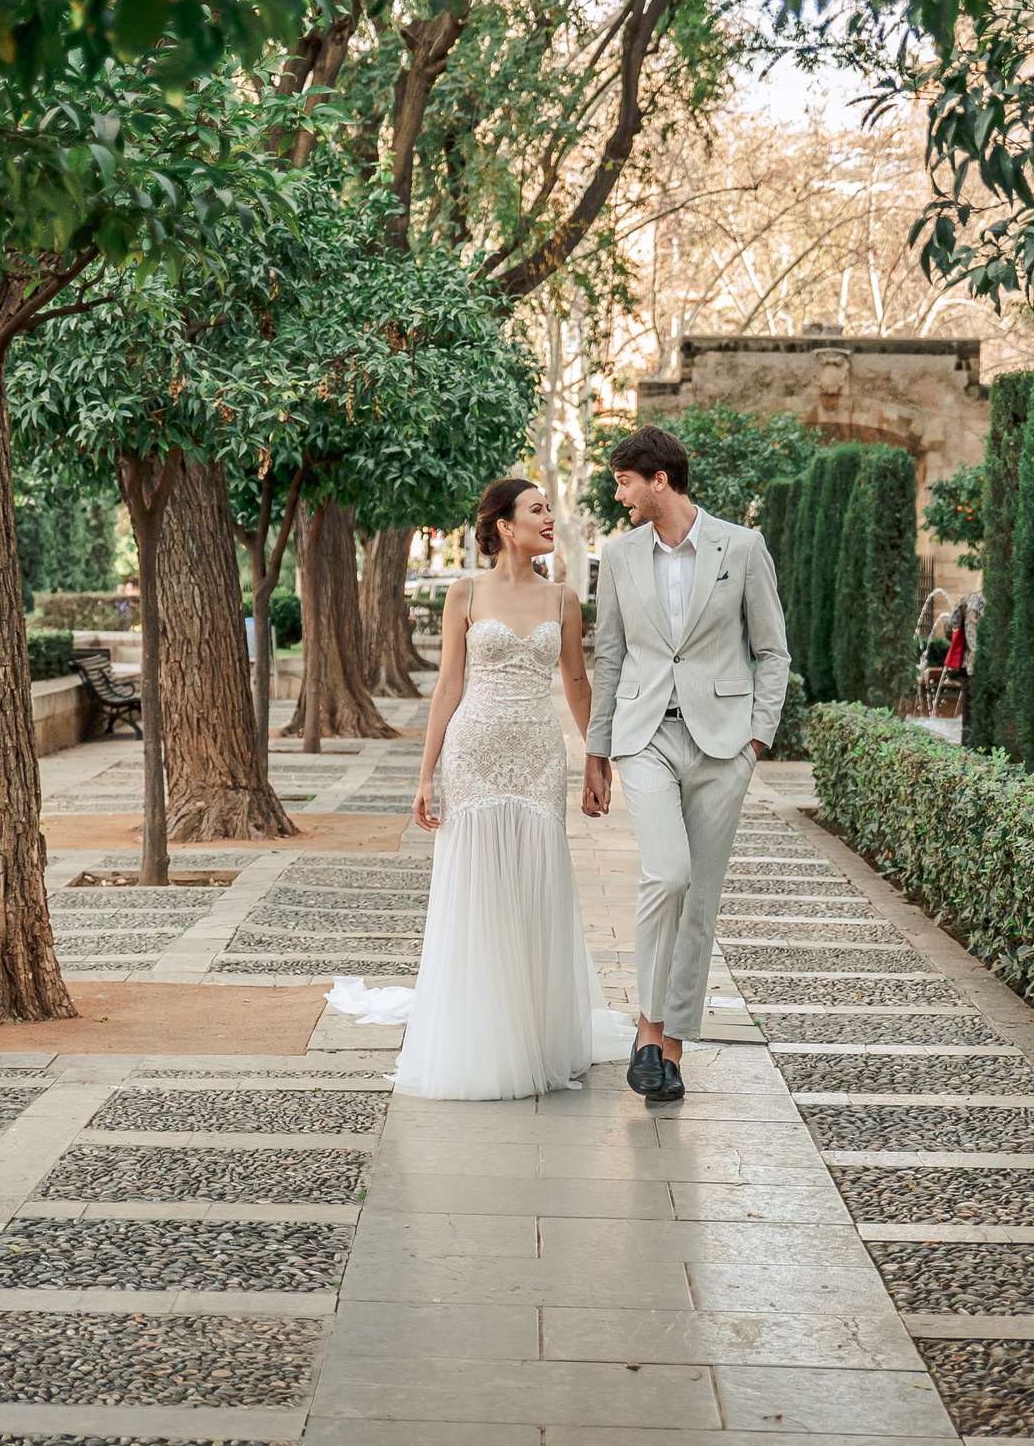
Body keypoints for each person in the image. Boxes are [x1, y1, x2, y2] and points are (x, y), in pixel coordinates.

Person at [329, 478, 632, 1098]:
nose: (550, 518)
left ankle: (538, 1033)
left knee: (535, 883)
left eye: (550, 509)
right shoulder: (464, 594)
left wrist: (597, 761)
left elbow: (578, 686)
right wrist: (424, 773)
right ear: (504, 525)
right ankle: (483, 1036)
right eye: (538, 510)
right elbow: (448, 686)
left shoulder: (564, 598)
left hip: (539, 757)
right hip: (474, 753)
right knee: (478, 886)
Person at [582, 426, 791, 1105]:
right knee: (666, 875)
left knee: (698, 896)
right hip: (645, 736)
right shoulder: (617, 557)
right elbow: (609, 656)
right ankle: (647, 1029)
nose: (620, 496)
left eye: (624, 481)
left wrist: (756, 738)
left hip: (723, 743)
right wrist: (596, 749)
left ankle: (669, 1050)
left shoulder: (743, 546)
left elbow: (773, 650)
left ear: (659, 480)